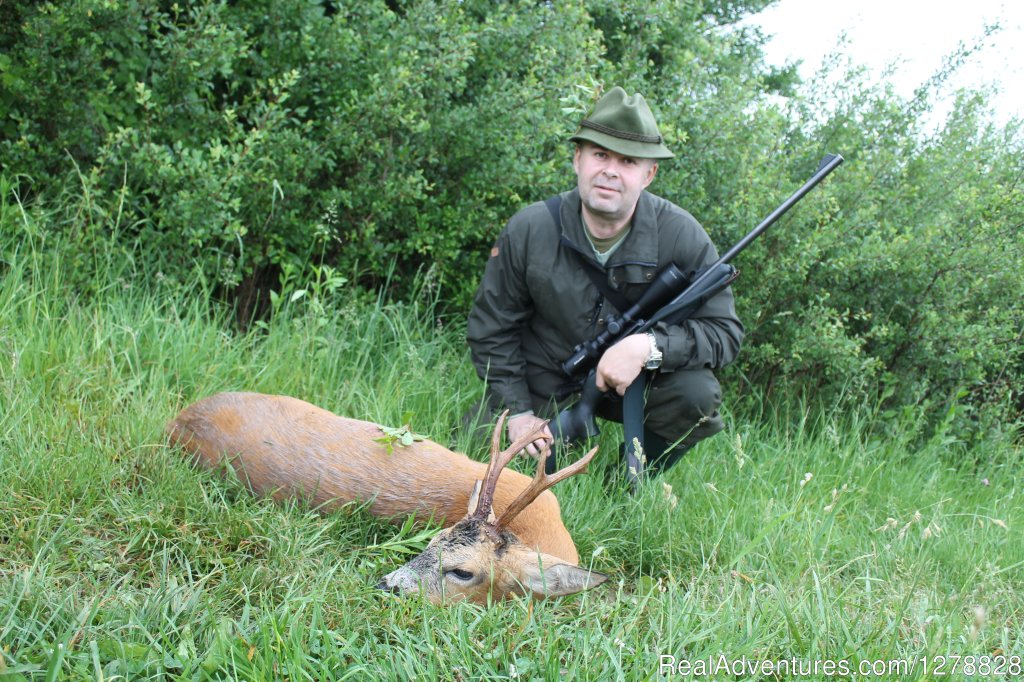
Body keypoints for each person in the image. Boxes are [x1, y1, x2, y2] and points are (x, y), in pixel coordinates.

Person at [466, 87, 743, 475]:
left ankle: (626, 485)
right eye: (600, 154)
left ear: (649, 174)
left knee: (696, 394)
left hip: (630, 380)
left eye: (628, 160)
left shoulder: (683, 236)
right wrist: (520, 413)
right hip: (544, 374)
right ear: (577, 159)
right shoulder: (529, 228)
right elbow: (492, 328)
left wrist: (648, 347)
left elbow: (724, 332)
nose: (611, 170)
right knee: (474, 464)